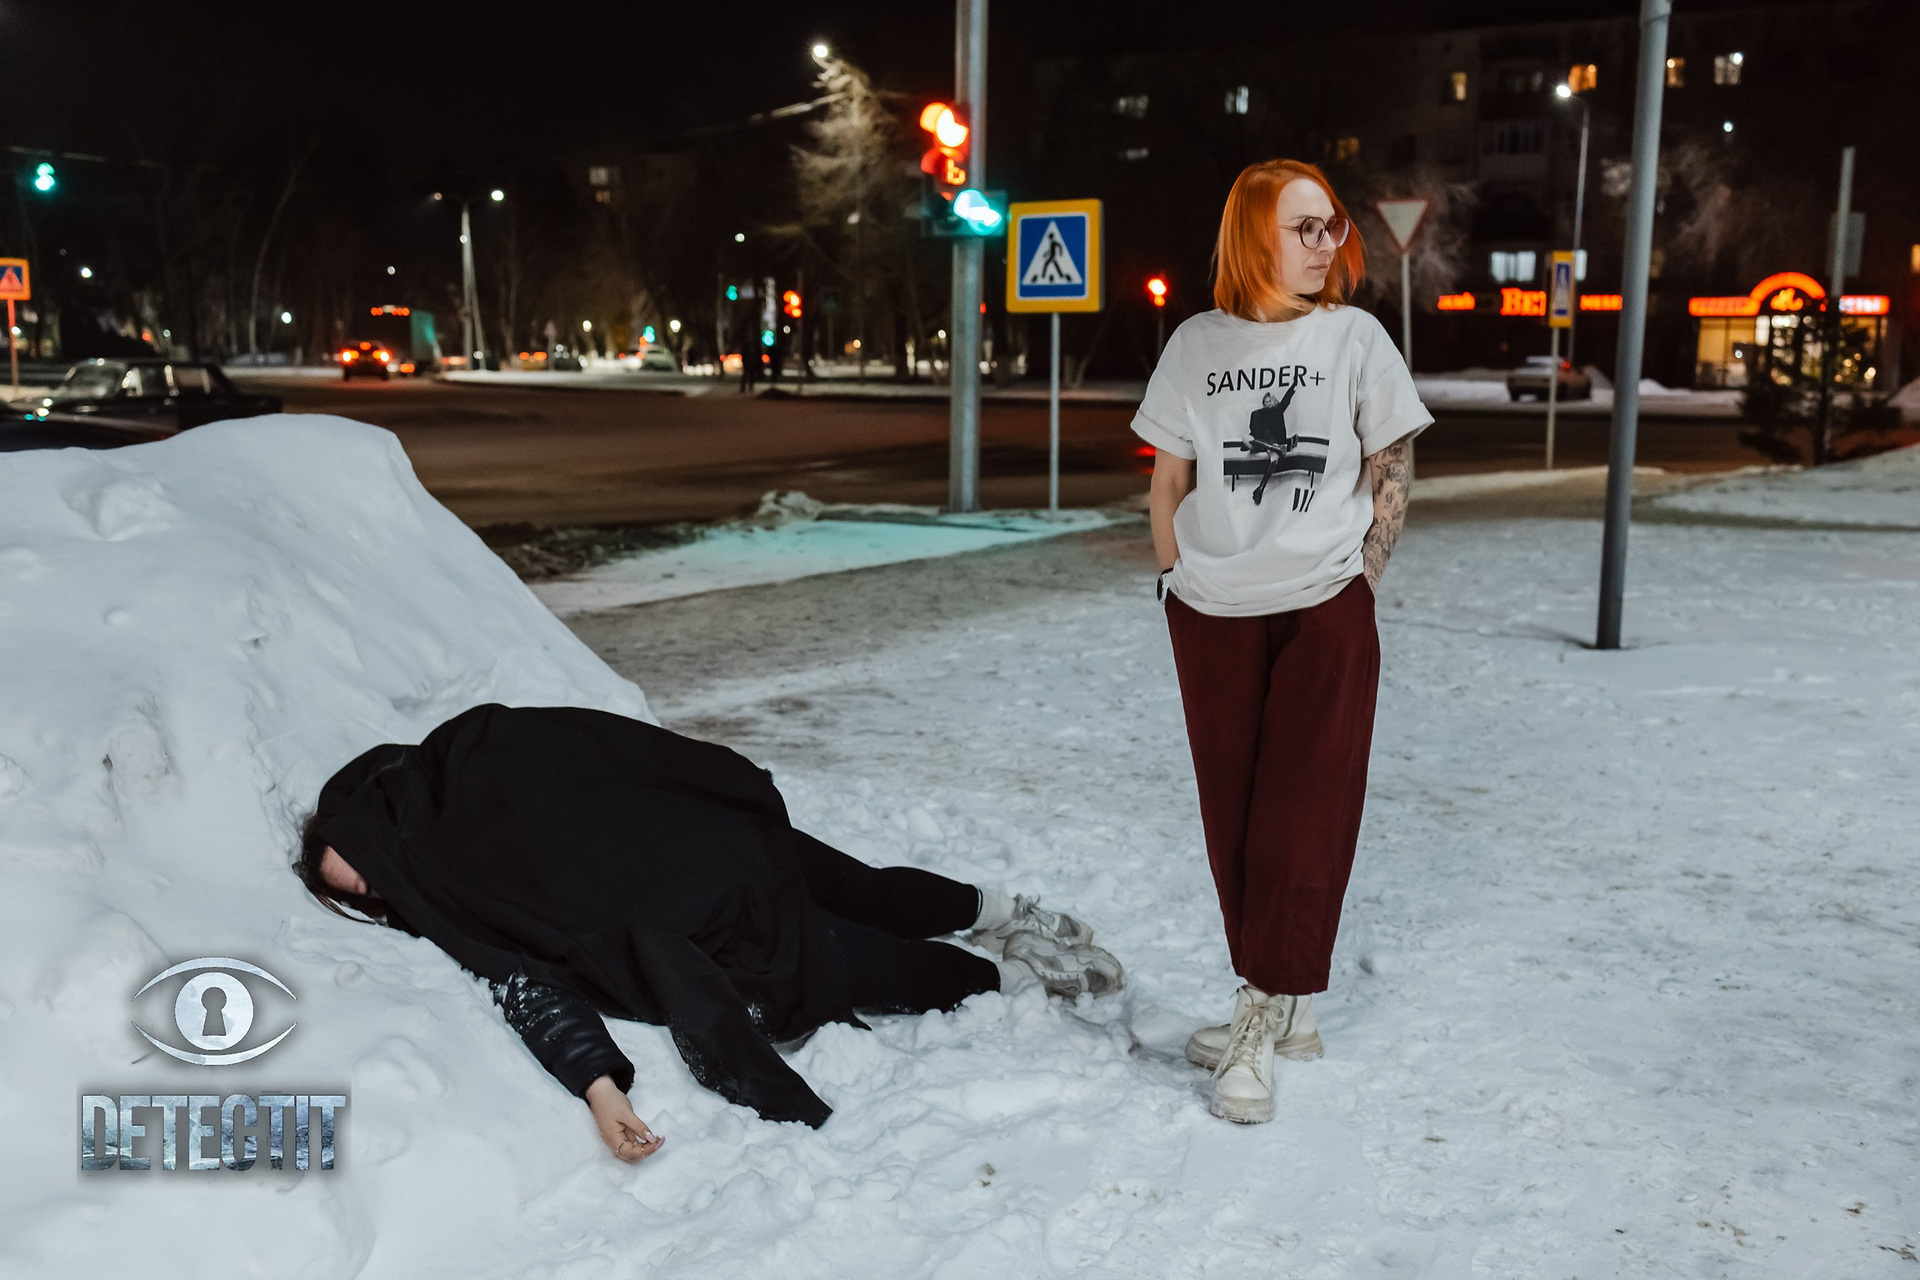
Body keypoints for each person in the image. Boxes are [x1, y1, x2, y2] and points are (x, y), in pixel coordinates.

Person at [293, 702, 1123, 1162]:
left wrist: (698, 785)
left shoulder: (472, 749)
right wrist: (600, 1087)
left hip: (716, 843)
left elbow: (604, 749)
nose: (378, 886)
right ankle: (1013, 979)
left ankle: (1000, 912)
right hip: (709, 914)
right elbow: (525, 982)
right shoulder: (447, 899)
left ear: (372, 821)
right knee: (866, 963)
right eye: (363, 892)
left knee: (864, 889)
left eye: (361, 865)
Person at [1130, 159, 1429, 1125]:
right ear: (1254, 235)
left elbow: (1393, 466)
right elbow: (1167, 483)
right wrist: (1174, 582)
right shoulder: (1195, 345)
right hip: (1210, 605)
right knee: (1233, 811)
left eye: (1332, 226)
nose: (1325, 244)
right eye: (1305, 227)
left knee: (1304, 806)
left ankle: (1260, 1013)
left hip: (1322, 603)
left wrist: (1360, 581)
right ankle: (1279, 1000)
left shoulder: (1355, 338)